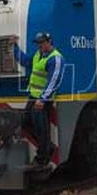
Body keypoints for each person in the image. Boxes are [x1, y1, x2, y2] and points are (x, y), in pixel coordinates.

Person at [14, 31, 63, 166]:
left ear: (49, 42)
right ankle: (48, 147)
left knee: (42, 128)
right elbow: (25, 61)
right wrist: (15, 47)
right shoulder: (38, 55)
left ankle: (42, 158)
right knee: (26, 122)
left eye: (41, 43)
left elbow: (54, 81)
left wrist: (42, 99)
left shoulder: (55, 58)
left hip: (42, 100)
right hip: (33, 97)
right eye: (38, 43)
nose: (39, 45)